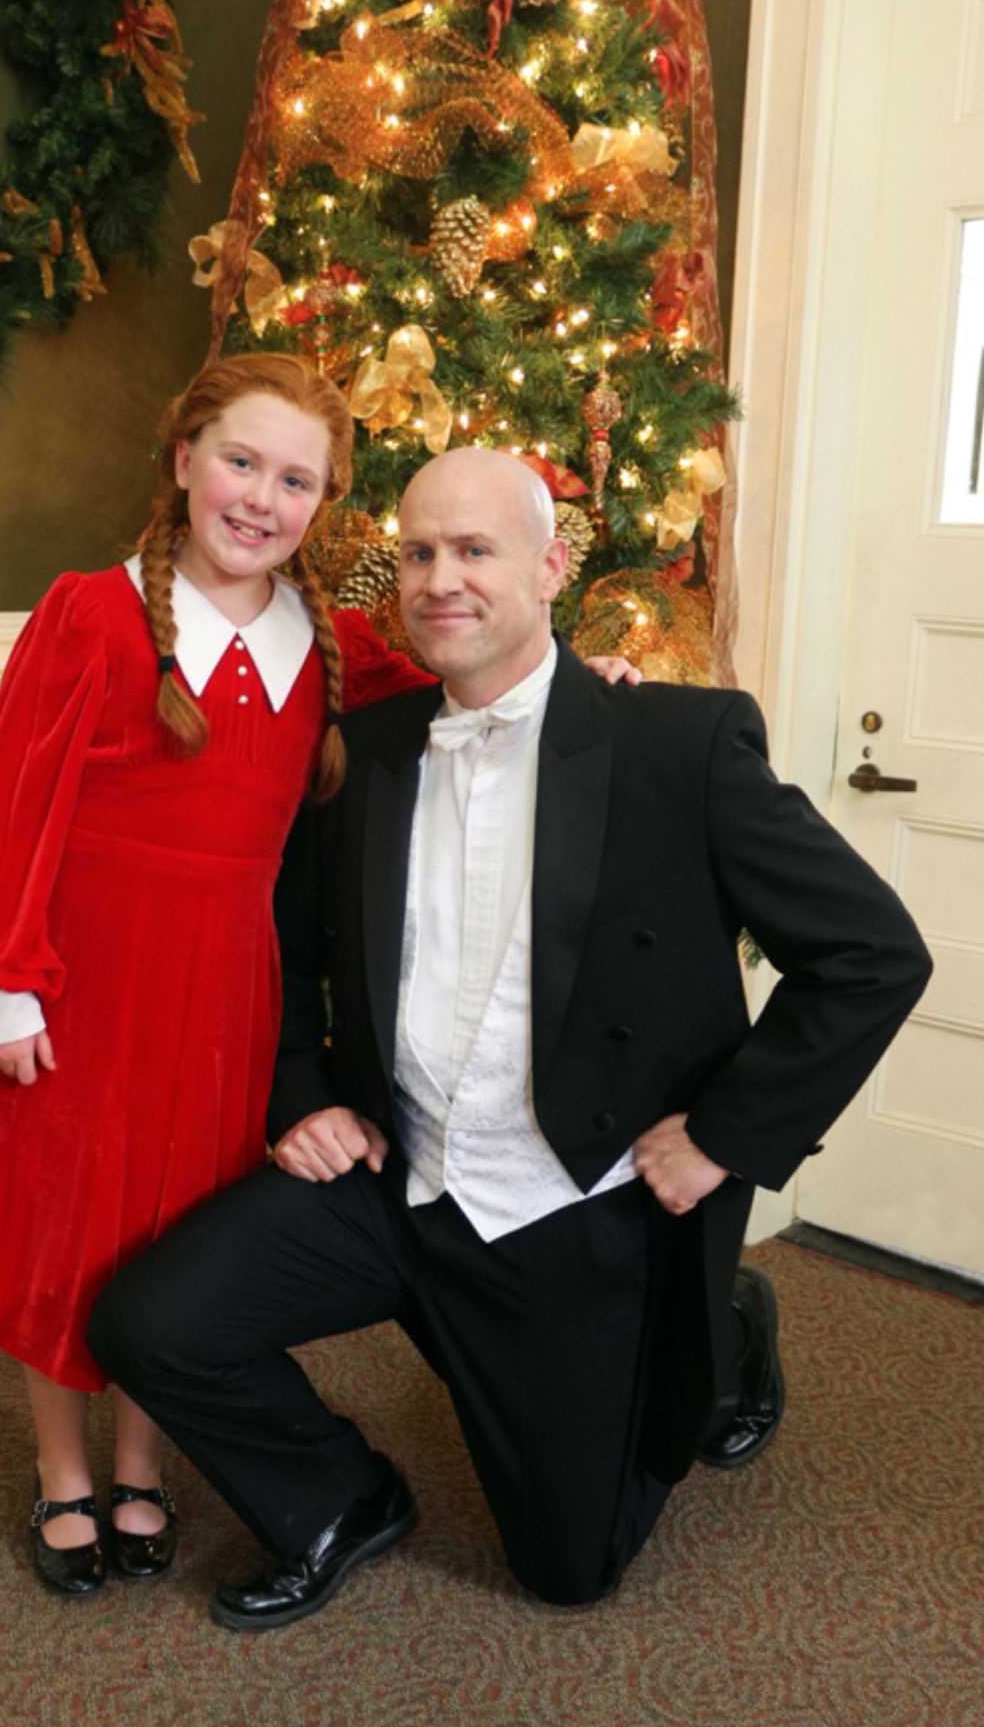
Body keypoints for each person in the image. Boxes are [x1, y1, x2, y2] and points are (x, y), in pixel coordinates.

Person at [88, 443, 933, 1630]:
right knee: (149, 1321)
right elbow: (288, 945)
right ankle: (340, 1499)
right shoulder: (366, 749)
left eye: (476, 549)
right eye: (420, 551)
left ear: (549, 570)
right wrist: (302, 1095)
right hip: (398, 1177)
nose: (442, 578)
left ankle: (726, 1326)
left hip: (571, 1203)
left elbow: (874, 956)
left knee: (568, 1570)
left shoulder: (674, 747)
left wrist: (730, 1136)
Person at [0, 363, 633, 1598]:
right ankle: (65, 1476)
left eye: (296, 479)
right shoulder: (87, 612)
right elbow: (4, 803)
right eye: (241, 462)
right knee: (63, 1225)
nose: (261, 497)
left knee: (169, 1231)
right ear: (187, 456)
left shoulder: (338, 647)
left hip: (225, 996)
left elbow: (489, 677)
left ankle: (145, 1464)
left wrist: (595, 679)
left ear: (325, 504)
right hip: (80, 982)